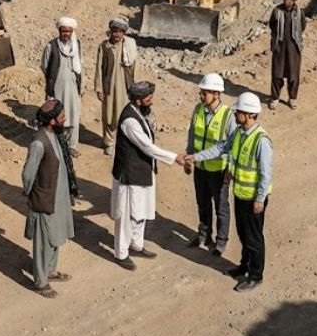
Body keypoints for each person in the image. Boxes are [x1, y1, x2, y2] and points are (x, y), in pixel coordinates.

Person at [186, 92, 273, 293]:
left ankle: (255, 275)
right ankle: (244, 266)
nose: (235, 115)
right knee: (243, 234)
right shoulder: (240, 134)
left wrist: (260, 198)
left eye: (238, 112)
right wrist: (195, 157)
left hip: (253, 198)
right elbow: (221, 149)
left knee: (254, 237)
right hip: (241, 195)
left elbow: (266, 174)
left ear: (249, 114)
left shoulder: (261, 140)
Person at [110, 81, 187, 270]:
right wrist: (174, 157)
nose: (151, 101)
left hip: (142, 170)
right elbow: (147, 147)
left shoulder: (140, 113)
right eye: (148, 98)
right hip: (130, 174)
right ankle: (121, 253)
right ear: (137, 100)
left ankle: (137, 245)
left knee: (141, 210)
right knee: (127, 214)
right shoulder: (129, 120)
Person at [22, 99, 75, 298]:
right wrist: (31, 192)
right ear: (52, 121)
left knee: (55, 236)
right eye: (61, 117)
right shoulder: (39, 143)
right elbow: (28, 174)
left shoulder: (55, 136)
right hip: (45, 198)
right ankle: (41, 281)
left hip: (58, 196)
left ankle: (51, 271)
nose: (65, 119)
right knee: (44, 242)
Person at [185, 73, 235, 255]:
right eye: (201, 92)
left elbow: (232, 145)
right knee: (202, 203)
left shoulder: (228, 115)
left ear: (216, 94)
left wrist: (230, 169)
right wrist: (189, 158)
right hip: (200, 168)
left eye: (204, 93)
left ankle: (221, 242)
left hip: (218, 170)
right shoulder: (198, 110)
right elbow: (192, 136)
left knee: (221, 207)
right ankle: (203, 235)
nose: (201, 95)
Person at [94, 17, 138, 155]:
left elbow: (136, 68)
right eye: (114, 31)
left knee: (124, 115)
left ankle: (122, 142)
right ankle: (109, 143)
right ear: (110, 31)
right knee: (109, 115)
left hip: (125, 86)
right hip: (109, 86)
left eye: (120, 31)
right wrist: (99, 88)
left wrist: (136, 89)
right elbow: (99, 68)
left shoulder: (130, 46)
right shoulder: (104, 46)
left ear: (124, 32)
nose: (117, 34)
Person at [41, 18, 83, 155]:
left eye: (69, 31)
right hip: (57, 86)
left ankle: (72, 145)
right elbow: (45, 66)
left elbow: (79, 65)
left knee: (73, 114)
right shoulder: (51, 46)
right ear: (59, 31)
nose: (66, 34)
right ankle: (58, 144)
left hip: (73, 86)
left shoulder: (76, 45)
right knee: (57, 114)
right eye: (64, 31)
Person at [268, 0, 305, 110]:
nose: (288, 1)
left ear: (294, 0)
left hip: (294, 48)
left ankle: (292, 98)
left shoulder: (299, 12)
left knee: (293, 75)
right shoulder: (277, 11)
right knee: (277, 74)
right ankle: (274, 98)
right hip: (280, 47)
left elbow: (303, 26)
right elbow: (272, 25)